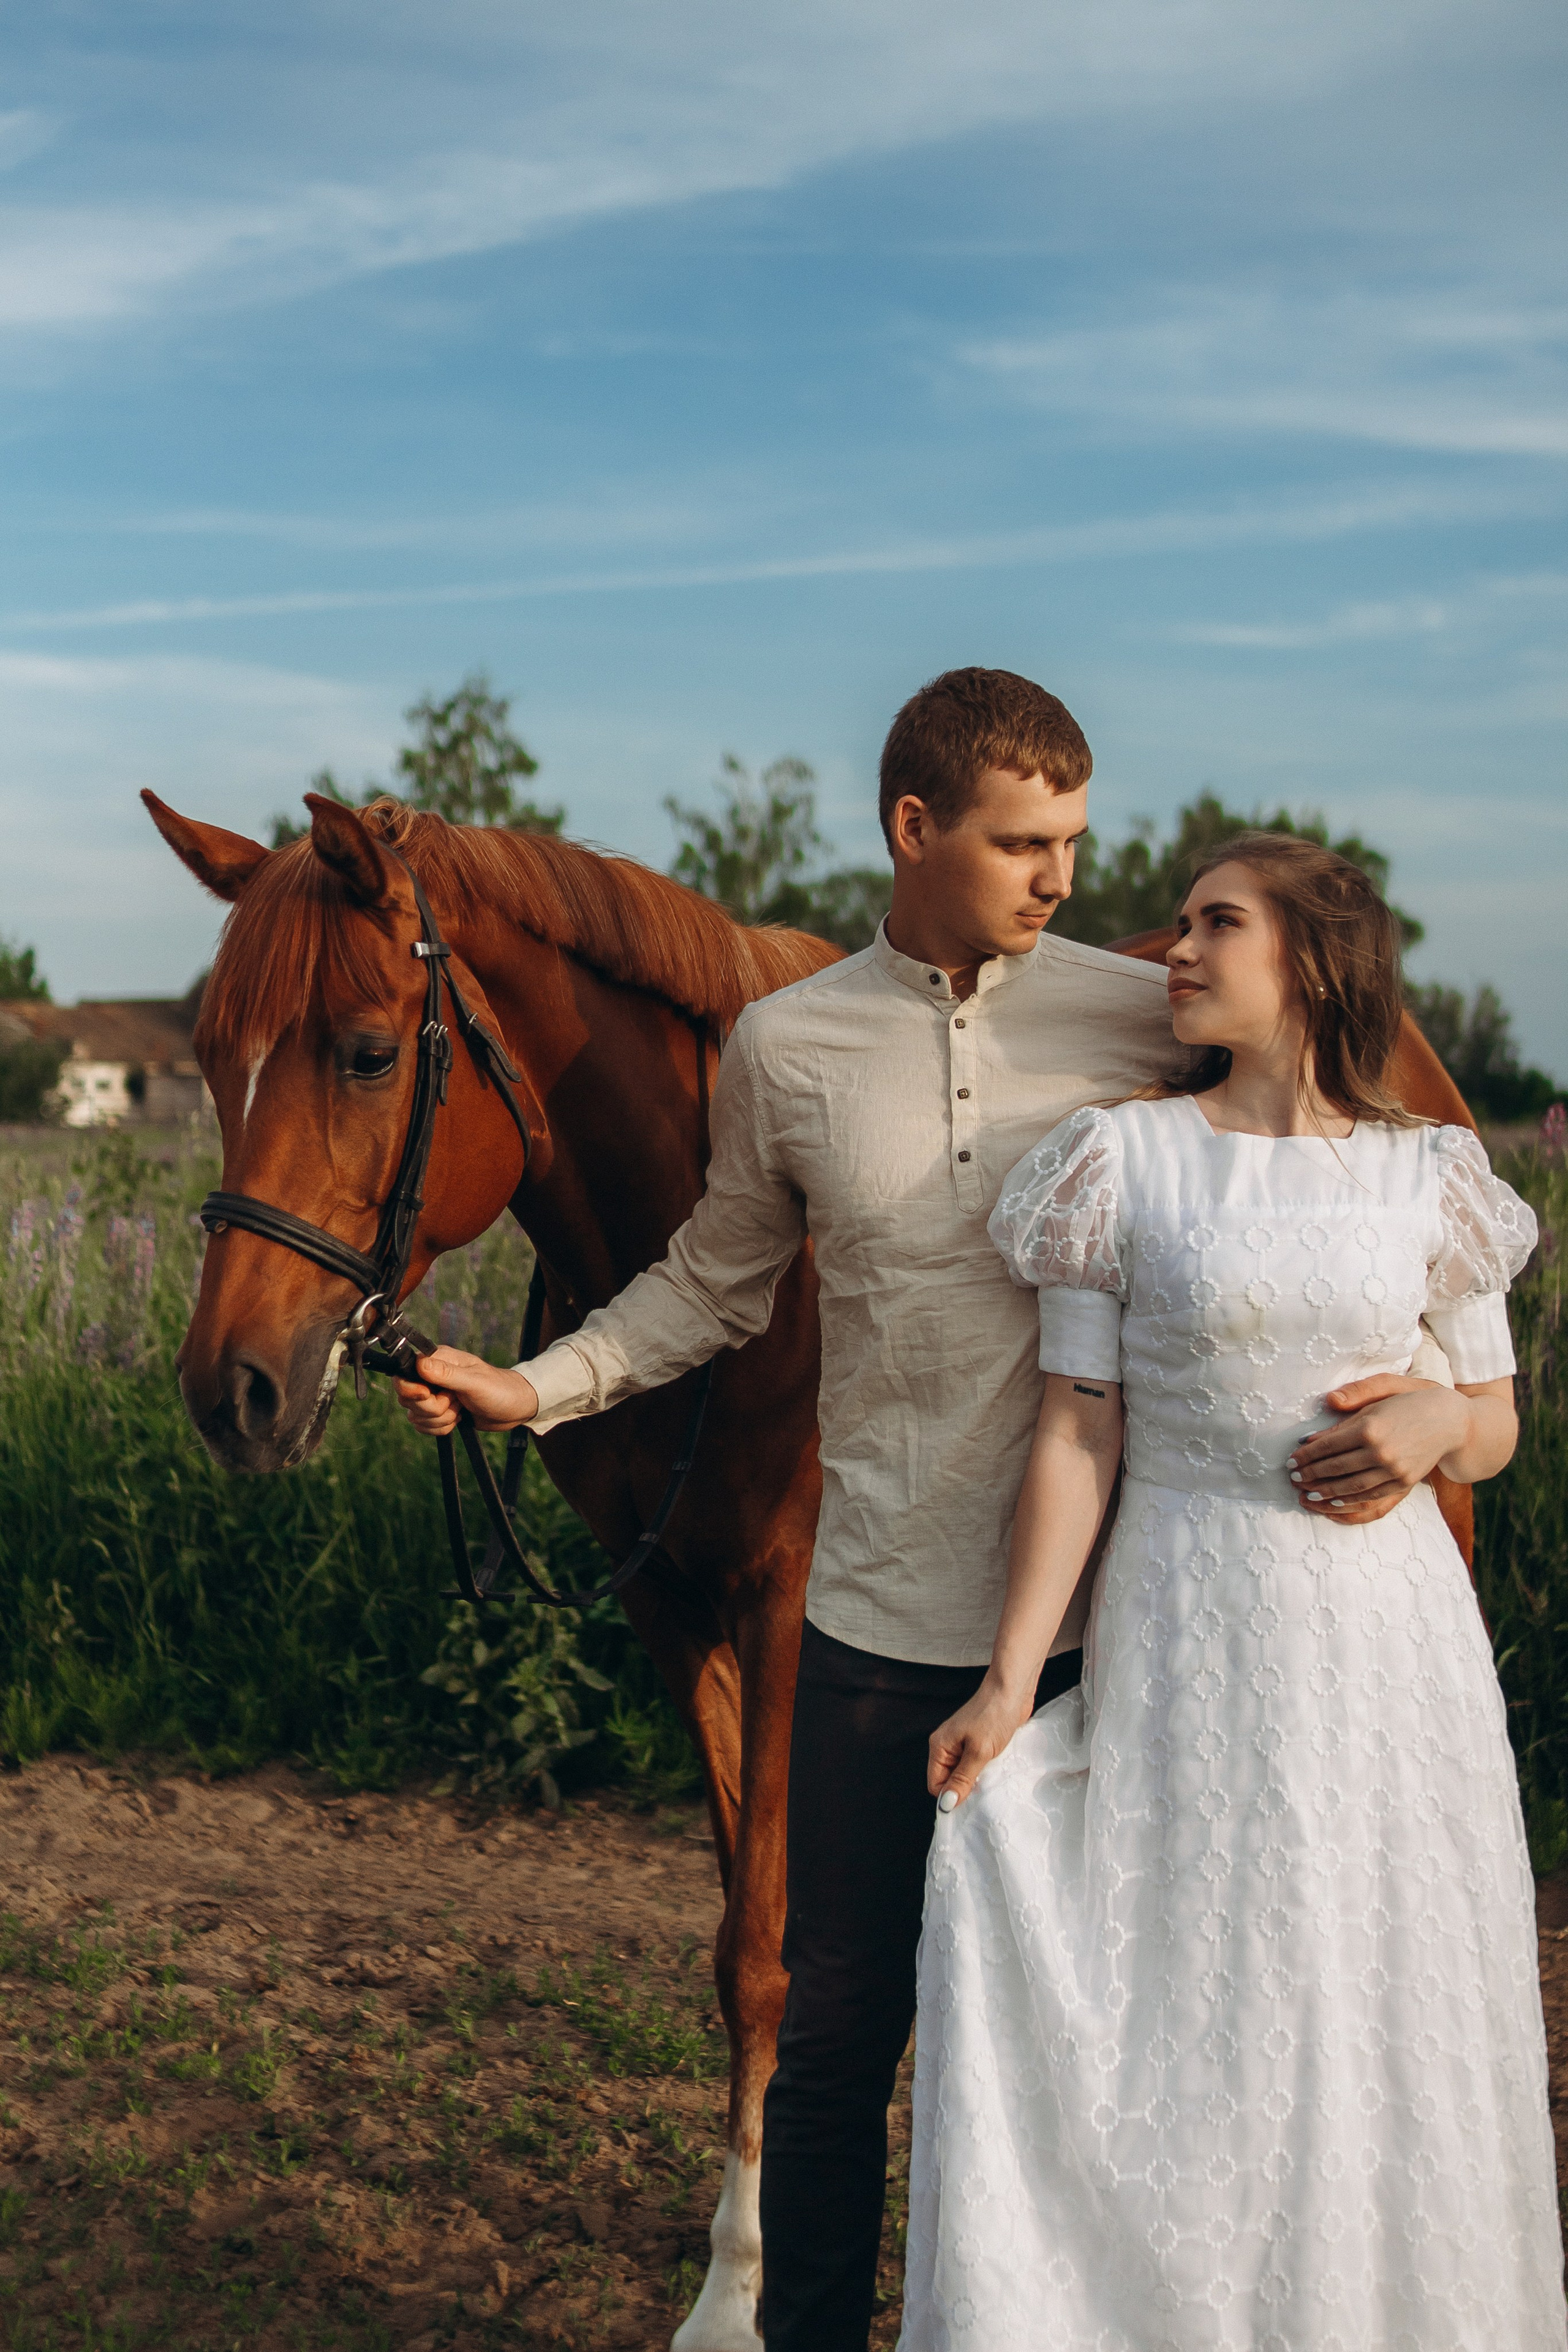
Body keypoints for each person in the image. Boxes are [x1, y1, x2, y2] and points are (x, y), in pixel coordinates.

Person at [391, 676, 1460, 2351]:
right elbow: (712, 1280)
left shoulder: (1147, 1013)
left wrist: (1445, 1403)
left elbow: (1336, 1184)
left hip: (1121, 1639)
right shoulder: (789, 1047)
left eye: (1073, 841)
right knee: (834, 2039)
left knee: (1109, 2048)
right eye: (1023, 843)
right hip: (878, 1622)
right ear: (913, 828)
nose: (1060, 877)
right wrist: (535, 1388)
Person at [900, 833, 1561, 2351]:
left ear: (1312, 959)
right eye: (1183, 924)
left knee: (1378, 1990)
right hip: (1194, 1623)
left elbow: (1495, 1424)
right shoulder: (1119, 1163)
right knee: (1205, 1992)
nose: (1177, 951)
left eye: (1215, 924)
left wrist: (1433, 1425)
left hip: (1391, 1651)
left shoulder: (1429, 1175)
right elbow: (1077, 1431)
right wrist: (1009, 1681)